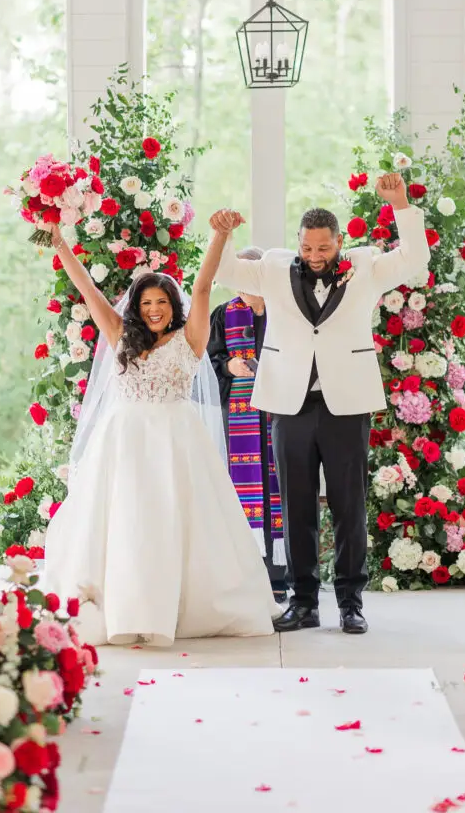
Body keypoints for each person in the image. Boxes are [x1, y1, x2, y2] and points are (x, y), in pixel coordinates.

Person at [43, 221, 281, 647]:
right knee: (125, 522)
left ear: (174, 305)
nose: (155, 309)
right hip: (124, 443)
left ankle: (180, 606)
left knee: (180, 521)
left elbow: (205, 285)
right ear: (137, 307)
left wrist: (220, 237)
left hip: (176, 441)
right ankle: (123, 607)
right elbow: (88, 292)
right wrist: (60, 244)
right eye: (147, 302)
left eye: (162, 301)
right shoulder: (118, 333)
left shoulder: (190, 338)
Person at [211, 172, 430, 635]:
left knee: (349, 505)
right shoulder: (272, 266)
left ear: (339, 242)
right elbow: (226, 271)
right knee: (297, 507)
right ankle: (304, 601)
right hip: (288, 405)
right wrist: (223, 234)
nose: (314, 257)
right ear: (298, 243)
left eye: (323, 249)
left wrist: (402, 206)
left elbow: (414, 258)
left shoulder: (366, 265)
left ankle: (351, 602)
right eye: (307, 248)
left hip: (345, 404)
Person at [208, 247, 287, 604]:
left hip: (280, 413)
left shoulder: (286, 312)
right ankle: (245, 575)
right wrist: (229, 367)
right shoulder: (224, 315)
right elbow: (207, 361)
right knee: (241, 495)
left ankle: (280, 576)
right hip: (238, 417)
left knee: (280, 489)